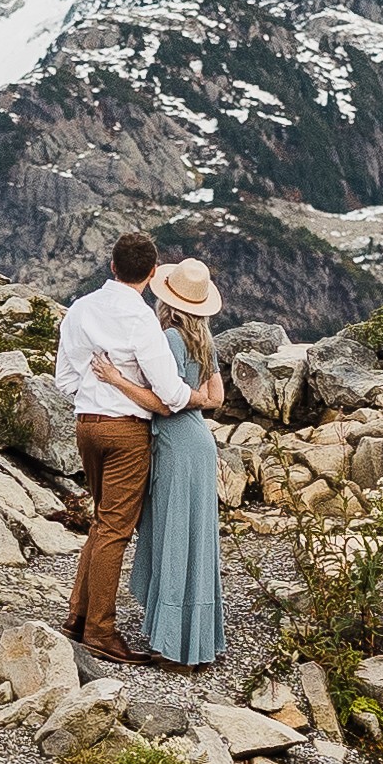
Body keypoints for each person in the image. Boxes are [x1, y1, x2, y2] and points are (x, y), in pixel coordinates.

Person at [56, 229, 191, 662]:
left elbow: (65, 382)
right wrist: (200, 398)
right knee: (115, 529)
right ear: (152, 275)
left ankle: (78, 616)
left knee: (102, 522)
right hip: (127, 431)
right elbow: (169, 393)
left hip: (86, 425)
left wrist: (101, 387)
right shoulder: (141, 321)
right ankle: (100, 629)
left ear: (112, 266)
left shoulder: (79, 310)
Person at [123, 257, 230, 667]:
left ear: (167, 301)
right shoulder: (205, 341)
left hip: (175, 443)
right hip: (201, 441)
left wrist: (118, 381)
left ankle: (170, 644)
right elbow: (216, 399)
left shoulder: (167, 338)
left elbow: (163, 403)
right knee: (198, 537)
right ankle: (198, 642)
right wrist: (196, 399)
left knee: (172, 533)